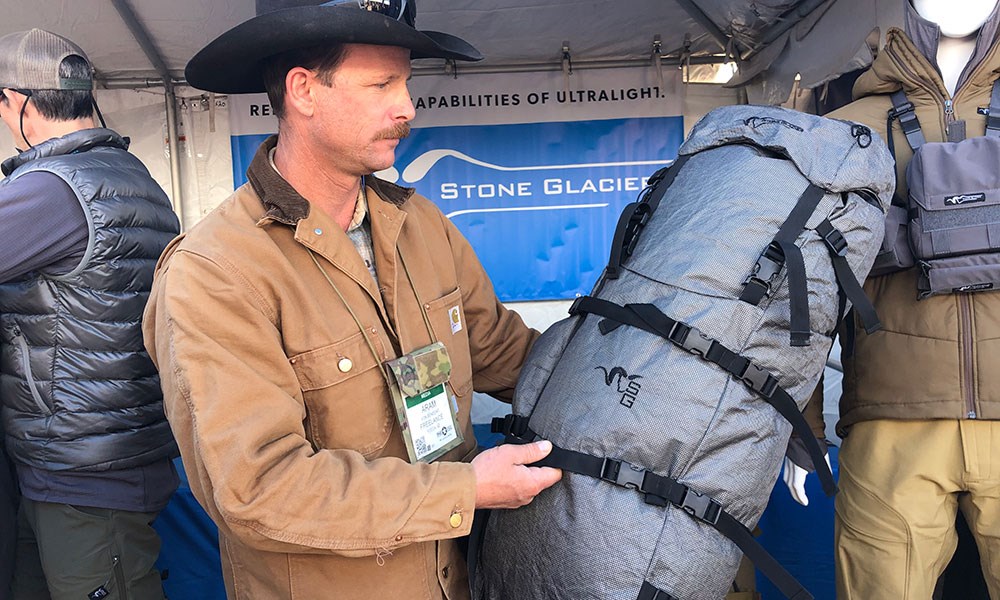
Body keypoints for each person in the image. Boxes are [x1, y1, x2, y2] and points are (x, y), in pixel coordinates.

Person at [141, 2, 562, 599]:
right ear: (304, 90)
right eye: (382, 84)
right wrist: (464, 491)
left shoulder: (421, 226)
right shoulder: (214, 273)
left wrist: (637, 375)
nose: (407, 108)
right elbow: (260, 489)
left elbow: (509, 357)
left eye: (406, 82)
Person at [781, 0, 1000, 597]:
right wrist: (802, 425)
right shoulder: (843, 128)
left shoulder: (844, 126)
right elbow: (804, 282)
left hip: (888, 424)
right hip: (888, 423)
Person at [0, 29, 181, 600]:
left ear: (19, 103)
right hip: (107, 455)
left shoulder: (52, 190)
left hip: (82, 472)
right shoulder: (132, 176)